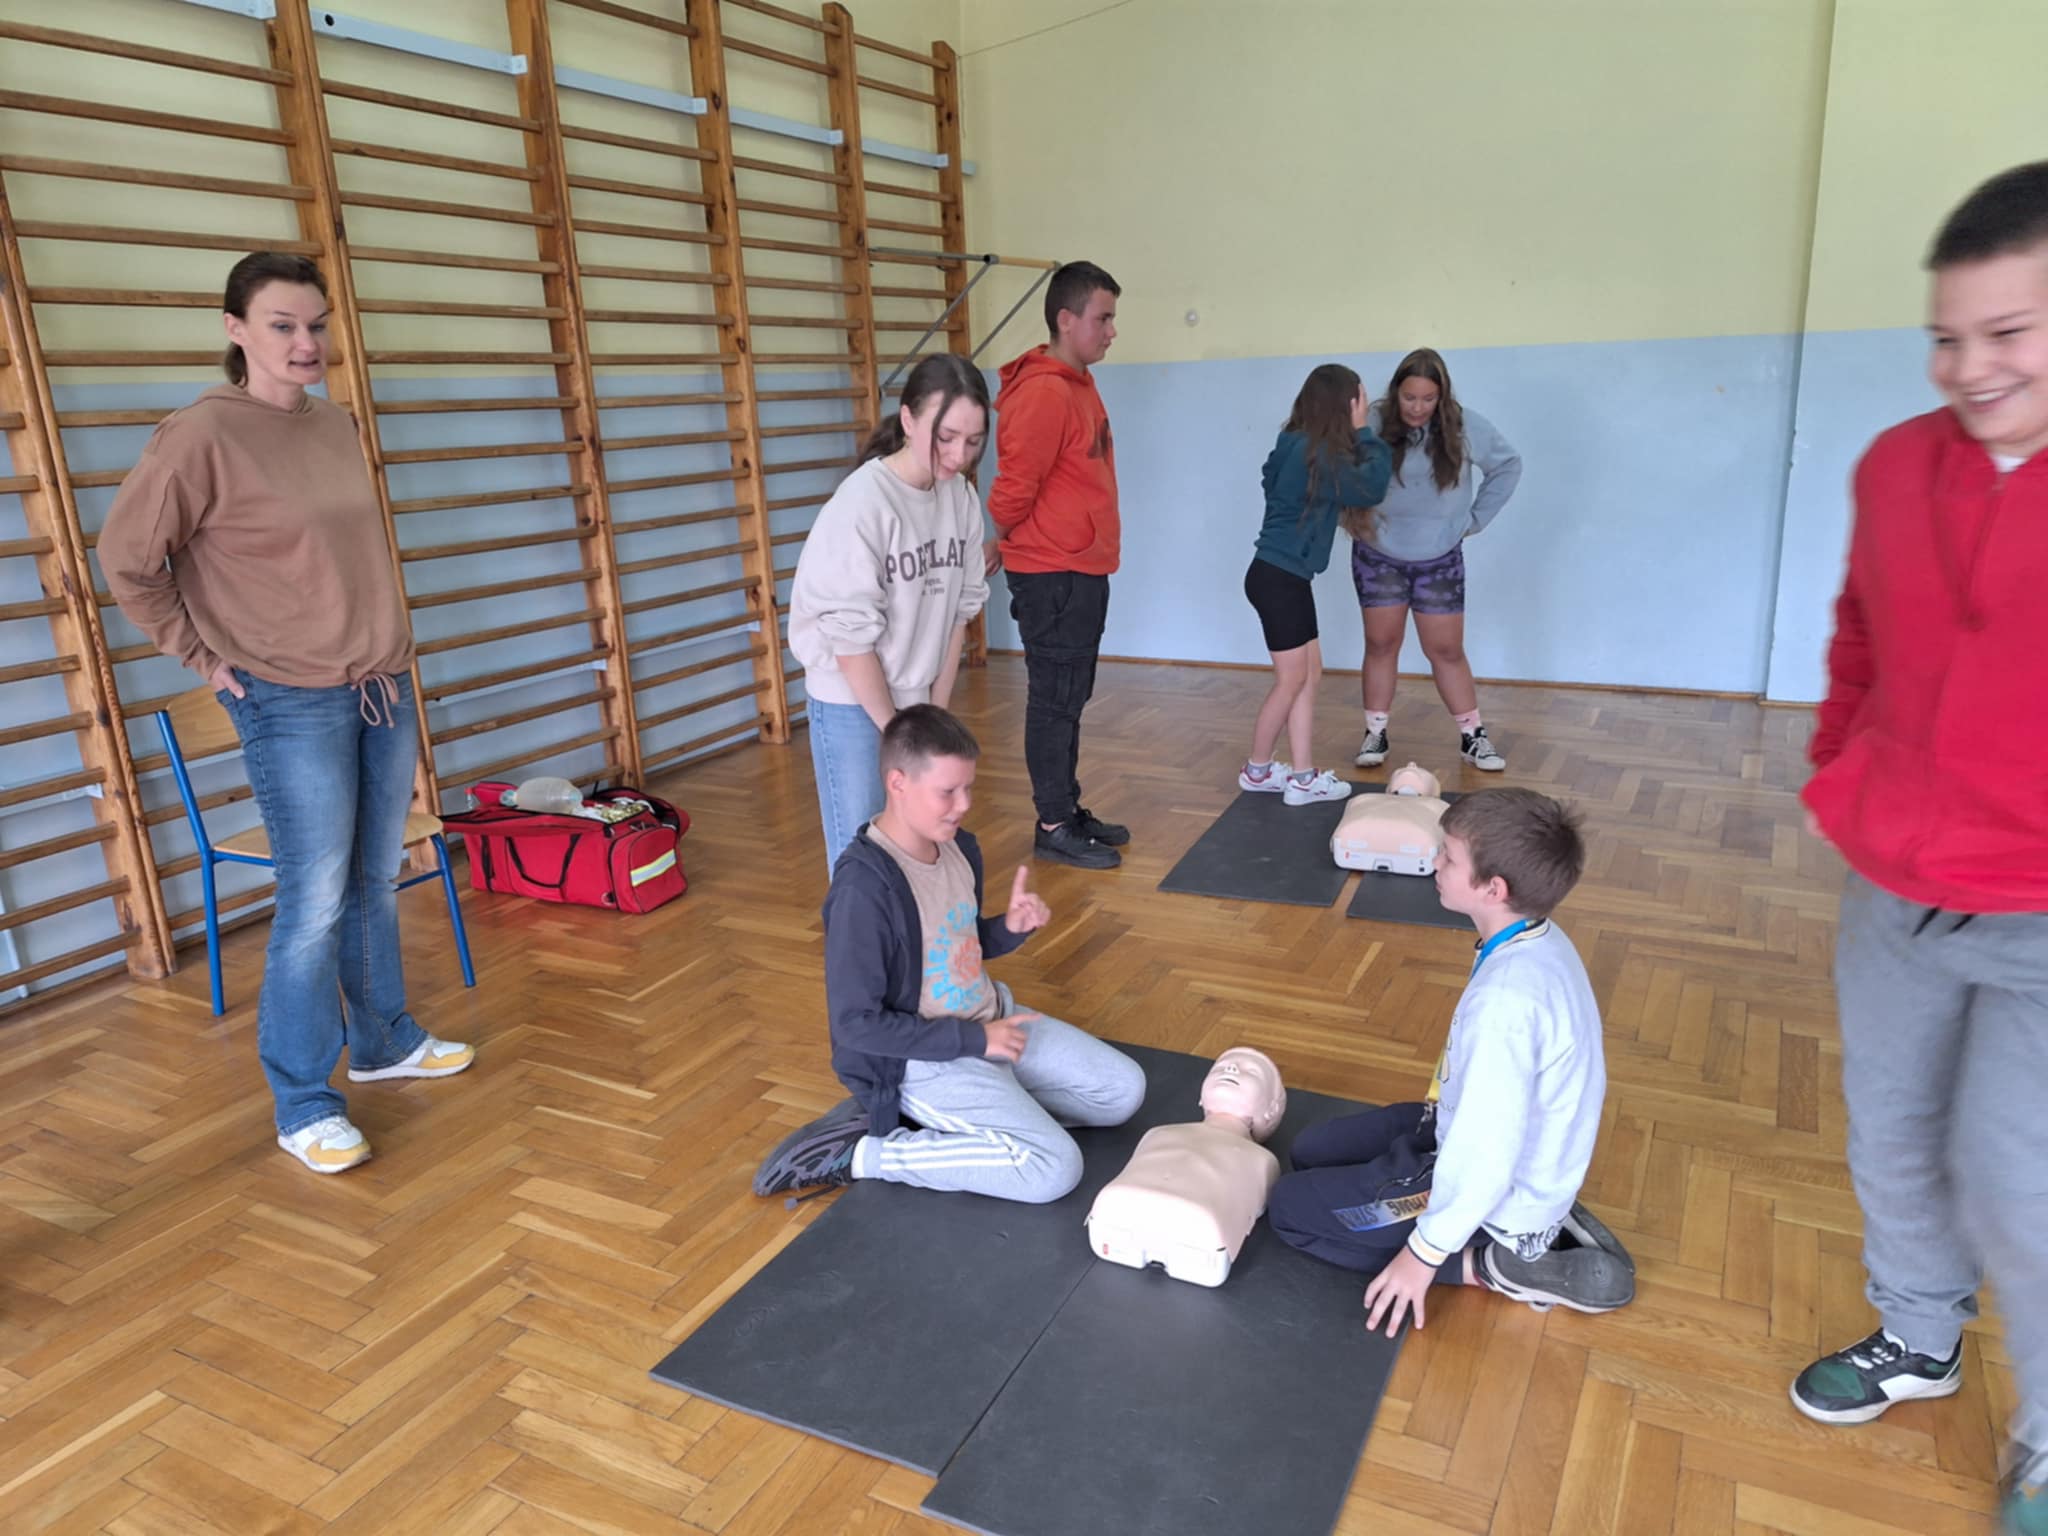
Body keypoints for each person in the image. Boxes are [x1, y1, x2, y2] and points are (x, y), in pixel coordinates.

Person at [1790, 161, 2048, 1536]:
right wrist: (1837, 764)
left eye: (2007, 333)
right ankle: (1919, 1335)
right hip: (1891, 879)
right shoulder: (1894, 463)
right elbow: (1860, 630)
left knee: (2020, 1173)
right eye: (1946, 337)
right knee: (1890, 1131)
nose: (1968, 368)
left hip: (2039, 910)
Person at [99, 251, 472, 1176]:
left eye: (316, 325)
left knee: (374, 878)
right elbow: (128, 561)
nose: (306, 343)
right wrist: (203, 656)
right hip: (289, 699)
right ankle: (304, 1102)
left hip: (381, 685)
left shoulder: (332, 422)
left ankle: (383, 1041)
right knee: (313, 899)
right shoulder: (200, 436)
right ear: (236, 331)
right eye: (282, 326)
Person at [1267, 789, 1633, 1334]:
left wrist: (1423, 1256)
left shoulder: (1506, 1003)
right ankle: (1515, 1223)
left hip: (1491, 1184)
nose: (1435, 861)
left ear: (1493, 888)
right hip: (1467, 1130)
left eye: (1449, 857)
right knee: (1309, 1151)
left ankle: (1490, 1263)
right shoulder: (1533, 936)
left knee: (1290, 1209)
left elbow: (1486, 1152)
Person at [752, 705, 1145, 1204]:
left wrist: (1008, 929)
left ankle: (979, 1118)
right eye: (948, 792)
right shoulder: (862, 891)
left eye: (968, 788)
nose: (964, 805)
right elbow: (855, 1025)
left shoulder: (960, 847)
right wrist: (975, 1041)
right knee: (1054, 1168)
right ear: (898, 783)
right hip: (924, 1059)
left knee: (1122, 1092)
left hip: (993, 1021)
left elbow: (957, 944)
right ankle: (864, 1153)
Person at [788, 354, 991, 871]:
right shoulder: (863, 504)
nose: (959, 456)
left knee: (917, 858)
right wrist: (901, 734)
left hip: (915, 702)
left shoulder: (960, 498)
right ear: (908, 420)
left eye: (973, 441)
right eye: (945, 437)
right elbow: (851, 643)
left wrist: (934, 717)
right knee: (863, 864)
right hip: (853, 703)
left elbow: (958, 615)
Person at [988, 260, 1127, 870]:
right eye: (1103, 318)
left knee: (1071, 694)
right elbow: (1013, 487)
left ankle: (1065, 809)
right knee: (1054, 698)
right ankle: (1052, 824)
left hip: (1081, 566)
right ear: (1066, 320)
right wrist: (998, 540)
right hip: (1052, 573)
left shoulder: (1077, 382)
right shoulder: (1044, 392)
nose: (1112, 331)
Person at [1347, 348, 1521, 774]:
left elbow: (1508, 465)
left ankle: (1472, 736)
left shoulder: (1462, 425)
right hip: (1378, 555)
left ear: (1441, 397)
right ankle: (1375, 733)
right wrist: (1349, 516)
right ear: (1396, 392)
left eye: (1428, 399)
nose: (1417, 408)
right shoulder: (1373, 421)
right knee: (1381, 644)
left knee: (1445, 649)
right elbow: (1336, 467)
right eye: (1409, 398)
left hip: (1439, 558)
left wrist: (1475, 520)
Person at [1238, 364, 1392, 806]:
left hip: (1283, 577)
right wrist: (1363, 433)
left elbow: (1269, 475)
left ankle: (1303, 775)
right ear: (1347, 406)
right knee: (1291, 681)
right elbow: (1371, 486)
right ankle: (1257, 770)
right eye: (1359, 404)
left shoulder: (1294, 444)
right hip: (1279, 579)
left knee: (1310, 674)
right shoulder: (1319, 453)